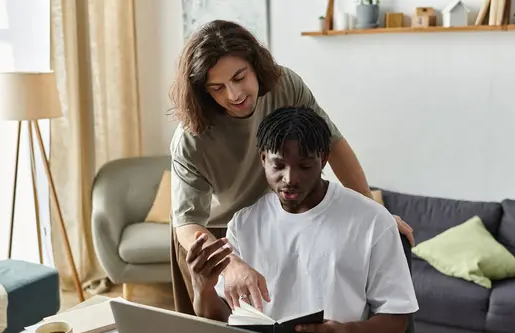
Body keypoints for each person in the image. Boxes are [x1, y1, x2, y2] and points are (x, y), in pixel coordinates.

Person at [169, 19, 414, 315]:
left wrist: (376, 213)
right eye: (217, 88)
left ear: (254, 64)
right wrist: (230, 262)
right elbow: (187, 223)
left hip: (278, 218)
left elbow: (332, 144)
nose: (234, 95)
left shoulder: (285, 86)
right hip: (215, 238)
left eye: (239, 77)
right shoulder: (190, 136)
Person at [187, 106, 419, 333]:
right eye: (278, 165)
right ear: (263, 158)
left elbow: (398, 318)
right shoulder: (244, 224)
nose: (290, 178)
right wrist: (203, 289)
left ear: (324, 159)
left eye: (305, 166)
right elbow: (224, 321)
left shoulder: (373, 220)